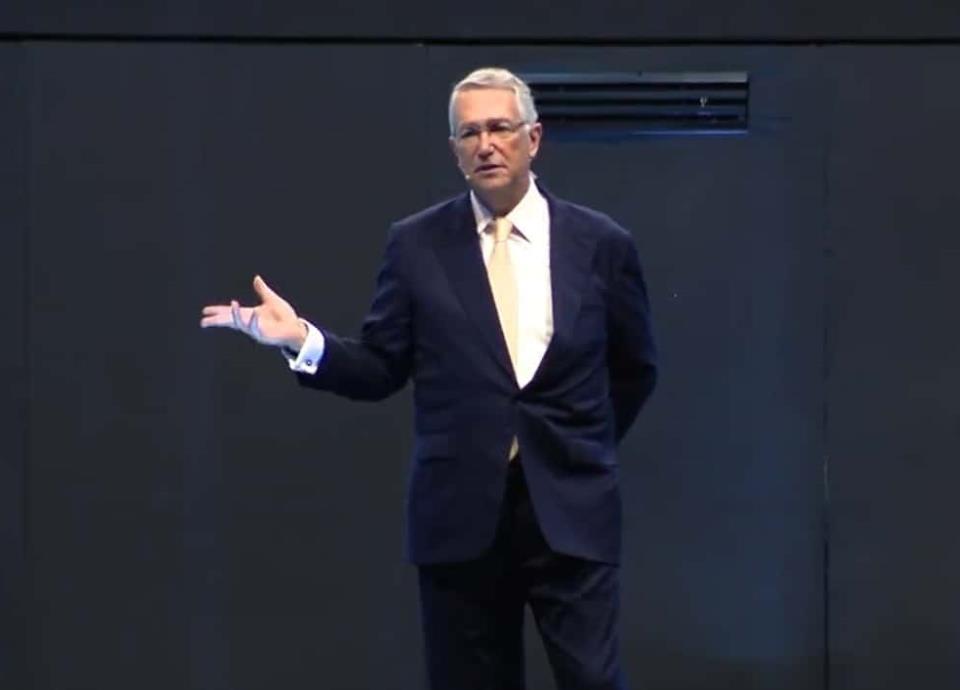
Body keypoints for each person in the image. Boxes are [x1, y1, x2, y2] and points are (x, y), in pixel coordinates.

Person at [201, 67, 657, 690]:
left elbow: (635, 368)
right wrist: (300, 339)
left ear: (533, 138)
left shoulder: (601, 244)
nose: (486, 144)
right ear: (454, 150)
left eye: (500, 128)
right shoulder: (417, 244)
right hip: (459, 516)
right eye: (469, 133)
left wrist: (579, 447)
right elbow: (381, 365)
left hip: (571, 510)